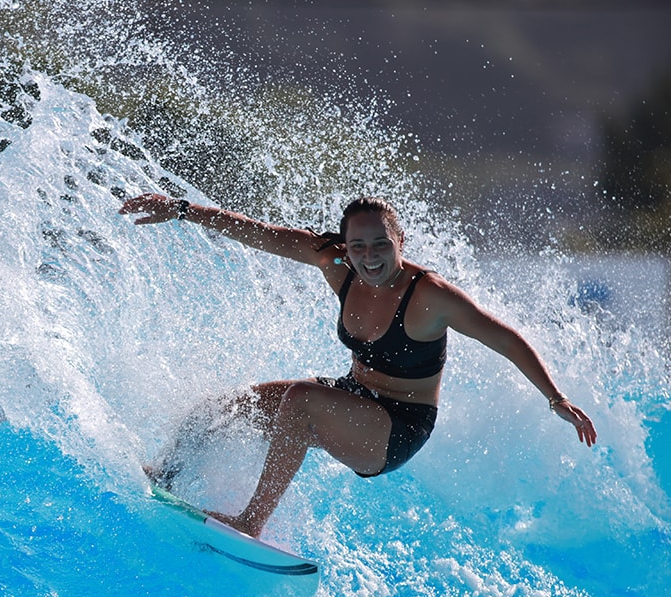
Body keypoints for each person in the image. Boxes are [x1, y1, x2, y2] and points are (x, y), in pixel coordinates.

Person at [119, 193, 597, 538]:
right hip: (353, 395)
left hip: (398, 428)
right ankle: (165, 474)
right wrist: (183, 210)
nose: (370, 256)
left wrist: (556, 398)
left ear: (399, 241)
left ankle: (251, 522)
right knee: (229, 406)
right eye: (360, 246)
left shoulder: (429, 296)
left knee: (300, 400)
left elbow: (504, 338)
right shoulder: (335, 265)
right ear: (345, 246)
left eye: (381, 244)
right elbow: (259, 234)